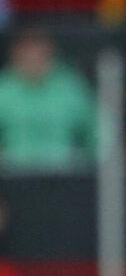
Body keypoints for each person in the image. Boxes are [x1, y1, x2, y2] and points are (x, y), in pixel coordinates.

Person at [0, 26, 97, 171]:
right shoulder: (3, 88)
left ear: (50, 50)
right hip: (10, 180)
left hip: (66, 178)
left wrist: (90, 166)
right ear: (15, 52)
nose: (33, 55)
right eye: (27, 49)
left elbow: (100, 133)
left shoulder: (70, 86)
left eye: (39, 48)